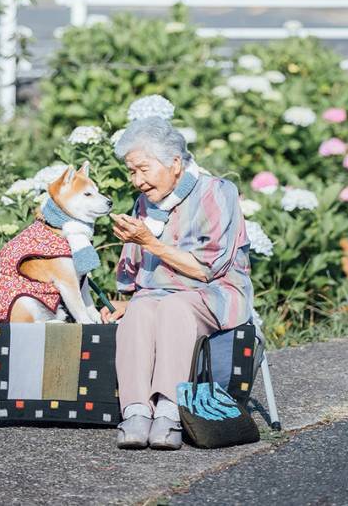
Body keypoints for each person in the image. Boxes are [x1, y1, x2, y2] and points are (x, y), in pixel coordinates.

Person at [101, 115, 254, 450]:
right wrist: (129, 298)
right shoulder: (147, 204)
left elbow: (206, 269)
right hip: (160, 294)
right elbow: (138, 274)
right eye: (131, 171)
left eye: (143, 168)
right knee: (139, 310)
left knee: (172, 306)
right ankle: (137, 411)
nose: (136, 180)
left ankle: (169, 412)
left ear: (174, 163)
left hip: (214, 291)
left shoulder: (217, 192)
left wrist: (149, 242)